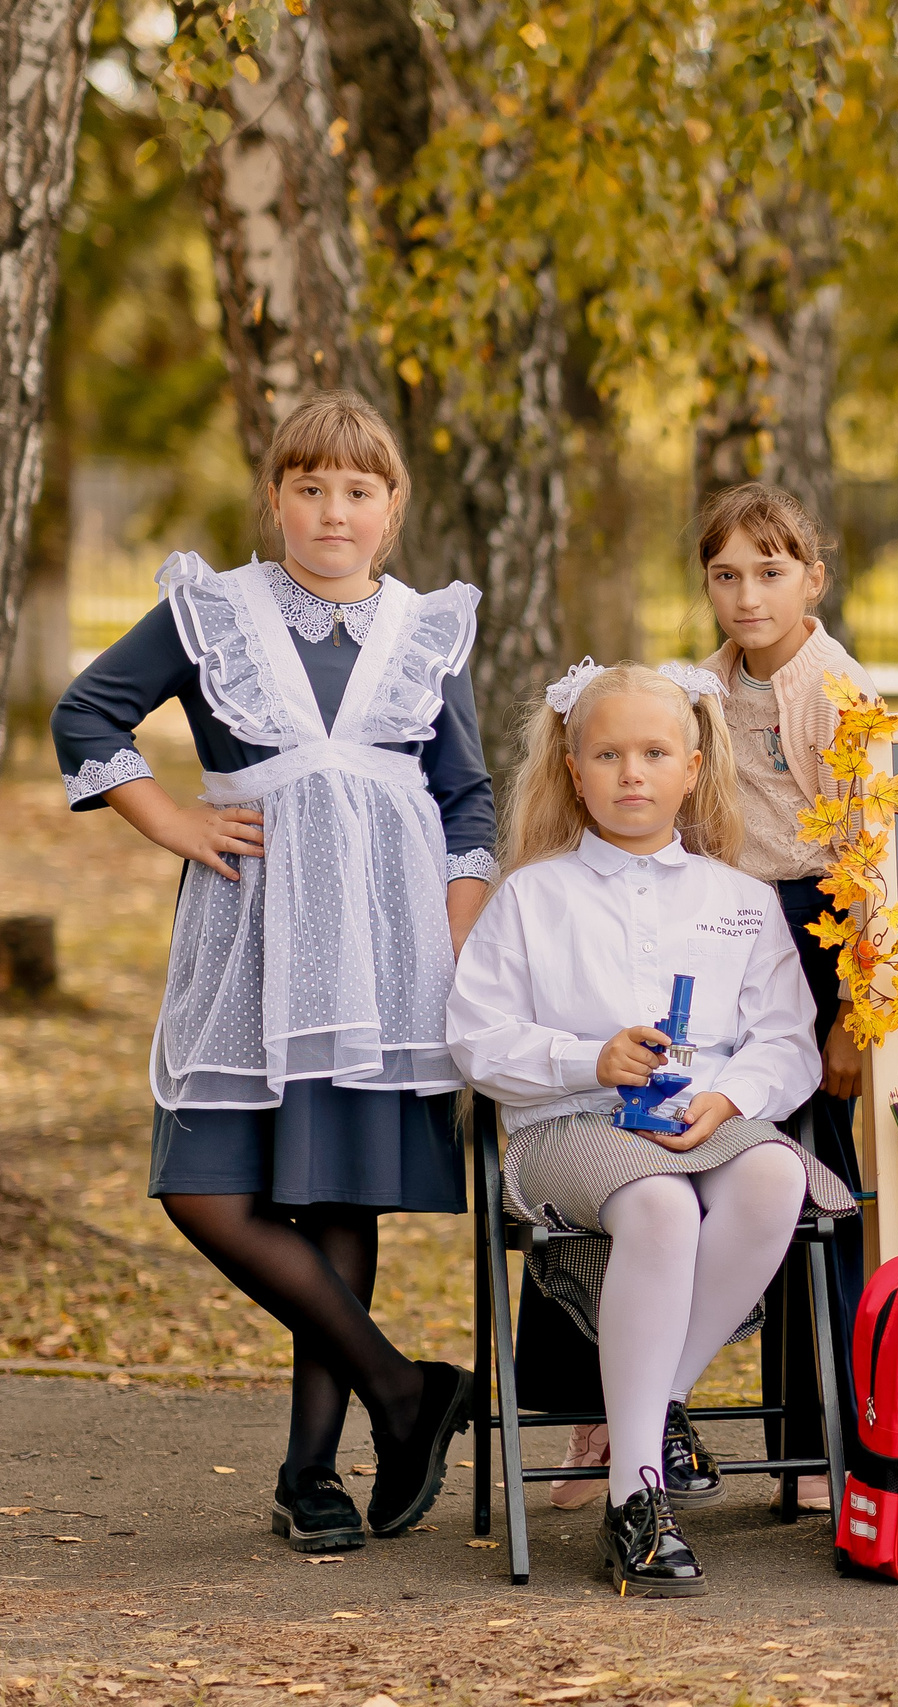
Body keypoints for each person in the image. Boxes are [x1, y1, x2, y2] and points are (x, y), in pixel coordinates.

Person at [49, 391, 492, 1554]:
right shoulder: (215, 612)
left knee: (335, 1195)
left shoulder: (425, 629)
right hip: (251, 945)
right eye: (309, 488)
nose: (331, 511)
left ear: (392, 509)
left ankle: (311, 1478)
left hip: (384, 956)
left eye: (357, 491)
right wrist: (173, 824)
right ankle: (405, 1391)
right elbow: (87, 711)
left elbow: (466, 805)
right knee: (206, 1189)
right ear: (277, 498)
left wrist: (449, 951)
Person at [446, 660, 850, 1597]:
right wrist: (587, 1058)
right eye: (609, 754)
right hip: (569, 1125)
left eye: (654, 753)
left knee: (773, 1179)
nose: (633, 772)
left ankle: (651, 1403)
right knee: (662, 1206)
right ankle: (638, 1493)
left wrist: (733, 1096)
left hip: (697, 1118)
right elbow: (476, 1038)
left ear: (693, 768)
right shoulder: (531, 897)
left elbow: (786, 1040)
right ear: (575, 771)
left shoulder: (736, 899)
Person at [697, 481, 880, 1511]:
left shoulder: (835, 690)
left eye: (769, 572)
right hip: (736, 931)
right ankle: (783, 1434)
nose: (747, 595)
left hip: (819, 934)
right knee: (755, 1178)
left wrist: (850, 1014)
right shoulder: (711, 686)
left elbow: (871, 851)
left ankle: (834, 1441)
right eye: (726, 575)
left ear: (812, 576)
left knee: (822, 1187)